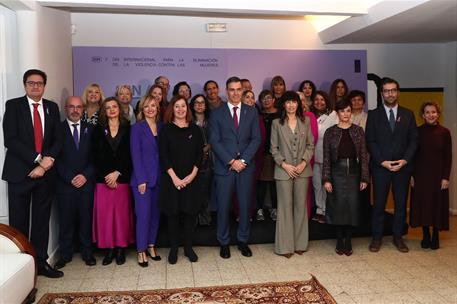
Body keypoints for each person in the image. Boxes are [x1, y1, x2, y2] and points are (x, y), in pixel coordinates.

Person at [2, 69, 63, 278]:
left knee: (40, 221)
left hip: (45, 175)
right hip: (20, 174)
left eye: (39, 83)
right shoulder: (13, 106)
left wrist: (45, 165)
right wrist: (38, 159)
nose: (35, 86)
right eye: (31, 83)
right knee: (18, 223)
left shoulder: (52, 108)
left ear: (44, 86)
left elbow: (58, 140)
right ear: (25, 85)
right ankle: (22, 269)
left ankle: (40, 263)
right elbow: (10, 140)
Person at [209, 77, 261, 259]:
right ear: (226, 91)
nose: (236, 93)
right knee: (223, 207)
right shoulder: (217, 113)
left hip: (246, 168)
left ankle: (242, 241)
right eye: (232, 89)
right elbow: (214, 141)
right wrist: (231, 161)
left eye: (239, 89)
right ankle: (223, 242)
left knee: (245, 206)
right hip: (225, 168)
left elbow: (256, 139)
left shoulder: (251, 112)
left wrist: (243, 160)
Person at [366, 77, 418, 253]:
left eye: (393, 90)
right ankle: (377, 238)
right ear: (382, 93)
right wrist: (382, 161)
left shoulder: (408, 114)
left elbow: (413, 141)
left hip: (402, 168)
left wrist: (405, 160)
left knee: (401, 205)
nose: (390, 93)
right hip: (381, 168)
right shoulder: (373, 115)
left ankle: (398, 237)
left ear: (398, 92)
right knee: (379, 204)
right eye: (386, 91)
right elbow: (370, 141)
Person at [159, 96, 203, 264]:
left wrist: (191, 176)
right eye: (176, 106)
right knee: (174, 215)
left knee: (190, 214)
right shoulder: (166, 130)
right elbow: (164, 156)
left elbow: (200, 155)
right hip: (172, 180)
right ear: (172, 109)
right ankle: (174, 249)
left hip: (192, 180)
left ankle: (188, 248)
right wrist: (175, 178)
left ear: (187, 108)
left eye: (183, 106)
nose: (180, 109)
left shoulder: (195, 129)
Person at [270, 91, 314, 258]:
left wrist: (303, 163)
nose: (291, 105)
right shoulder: (276, 123)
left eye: (294, 102)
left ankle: (300, 244)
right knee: (285, 207)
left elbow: (311, 145)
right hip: (283, 171)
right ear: (283, 104)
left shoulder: (306, 121)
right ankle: (284, 246)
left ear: (298, 104)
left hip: (303, 171)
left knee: (300, 206)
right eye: (288, 102)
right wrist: (285, 165)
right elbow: (273, 149)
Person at [323, 99, 369, 256]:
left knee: (351, 208)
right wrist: (326, 179)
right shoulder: (330, 132)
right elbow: (326, 157)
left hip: (354, 174)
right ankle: (339, 240)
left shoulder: (358, 130)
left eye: (348, 111)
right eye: (342, 111)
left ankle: (348, 240)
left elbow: (363, 155)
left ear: (351, 112)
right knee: (338, 208)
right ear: (337, 113)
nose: (345, 114)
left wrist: (364, 177)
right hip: (336, 173)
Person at [55, 96, 96, 269]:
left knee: (86, 219)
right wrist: (70, 177)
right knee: (65, 220)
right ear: (66, 109)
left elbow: (96, 157)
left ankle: (87, 252)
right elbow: (54, 157)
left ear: (83, 109)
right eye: (71, 107)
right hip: (65, 184)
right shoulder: (57, 129)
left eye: (78, 107)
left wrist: (85, 175)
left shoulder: (91, 129)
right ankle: (65, 254)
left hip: (86, 183)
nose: (75, 110)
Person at [92, 97, 134, 265]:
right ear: (104, 111)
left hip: (122, 179)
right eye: (108, 107)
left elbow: (130, 155)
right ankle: (109, 249)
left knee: (121, 217)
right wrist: (107, 176)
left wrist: (118, 172)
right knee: (106, 217)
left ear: (119, 109)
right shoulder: (97, 130)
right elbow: (95, 157)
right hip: (104, 181)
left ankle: (121, 248)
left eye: (114, 106)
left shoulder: (129, 129)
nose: (111, 109)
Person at [410, 101, 452, 250]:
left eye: (433, 112)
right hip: (420, 175)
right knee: (423, 205)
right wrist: (412, 175)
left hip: (438, 176)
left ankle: (435, 235)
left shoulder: (445, 132)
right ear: (423, 115)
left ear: (438, 114)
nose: (430, 115)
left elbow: (448, 157)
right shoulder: (417, 131)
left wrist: (446, 177)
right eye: (427, 112)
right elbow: (413, 155)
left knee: (437, 205)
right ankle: (425, 234)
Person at [130, 96, 162, 267]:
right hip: (142, 180)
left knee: (155, 215)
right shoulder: (137, 128)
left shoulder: (162, 126)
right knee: (143, 215)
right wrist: (141, 179)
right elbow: (136, 155)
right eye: (147, 106)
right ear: (142, 109)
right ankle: (141, 249)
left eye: (153, 106)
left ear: (158, 108)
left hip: (159, 178)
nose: (150, 109)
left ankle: (151, 245)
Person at [311, 91, 338, 223]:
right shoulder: (310, 116)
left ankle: (328, 210)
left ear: (327, 101)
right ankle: (319, 209)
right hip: (313, 157)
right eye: (316, 99)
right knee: (317, 185)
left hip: (328, 157)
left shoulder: (332, 115)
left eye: (322, 99)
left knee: (327, 185)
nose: (319, 102)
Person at [190, 94, 212, 226]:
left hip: (209, 163)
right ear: (192, 106)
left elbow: (217, 138)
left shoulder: (211, 121)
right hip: (192, 162)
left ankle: (205, 220)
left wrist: (210, 145)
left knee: (205, 192)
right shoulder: (188, 121)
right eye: (196, 103)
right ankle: (193, 220)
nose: (199, 105)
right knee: (193, 193)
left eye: (202, 102)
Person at [257, 90, 280, 221]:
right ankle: (260, 209)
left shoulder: (279, 115)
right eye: (263, 99)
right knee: (261, 183)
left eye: (268, 98)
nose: (266, 101)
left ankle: (274, 209)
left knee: (274, 184)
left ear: (273, 100)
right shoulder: (258, 116)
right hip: (262, 154)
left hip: (277, 154)